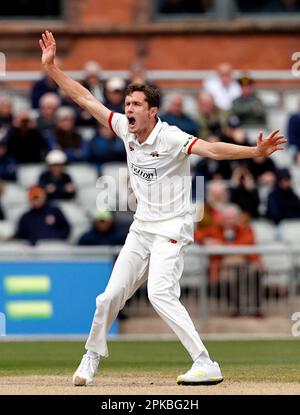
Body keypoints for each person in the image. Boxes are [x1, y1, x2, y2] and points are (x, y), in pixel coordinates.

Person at [39, 30, 286, 387]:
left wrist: (254, 152)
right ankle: (92, 356)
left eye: (136, 105)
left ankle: (205, 363)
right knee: (108, 296)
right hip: (143, 226)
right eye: (127, 104)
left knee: (159, 293)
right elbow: (84, 99)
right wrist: (53, 69)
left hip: (173, 226)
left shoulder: (170, 137)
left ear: (152, 111)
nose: (128, 109)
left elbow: (213, 150)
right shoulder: (124, 129)